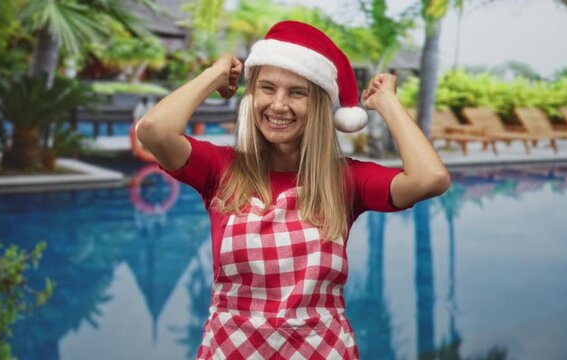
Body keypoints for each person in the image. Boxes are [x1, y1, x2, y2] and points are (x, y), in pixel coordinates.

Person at [136, 20, 450, 360]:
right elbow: (153, 130)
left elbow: (430, 178)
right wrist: (215, 74)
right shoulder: (220, 169)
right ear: (252, 94)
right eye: (267, 88)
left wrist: (387, 102)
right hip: (231, 350)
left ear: (318, 105)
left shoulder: (345, 179)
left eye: (296, 92)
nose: (279, 105)